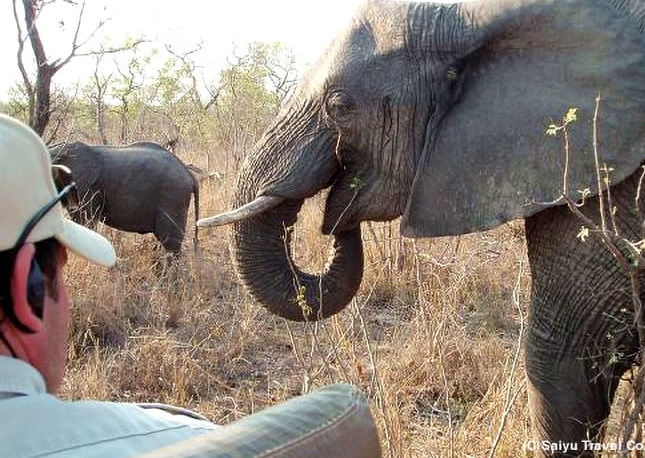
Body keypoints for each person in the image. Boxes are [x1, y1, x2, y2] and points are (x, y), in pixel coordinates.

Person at [0, 113, 382, 458]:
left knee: (172, 250)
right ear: (27, 288)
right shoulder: (178, 440)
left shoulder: (91, 161)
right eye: (63, 273)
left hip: (163, 181)